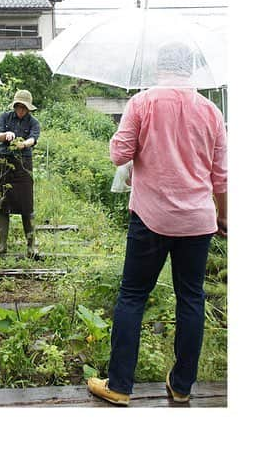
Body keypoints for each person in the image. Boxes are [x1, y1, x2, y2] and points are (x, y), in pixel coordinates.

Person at [88, 42, 228, 406]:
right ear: (191, 69)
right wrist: (224, 215)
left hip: (150, 218)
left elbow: (120, 154)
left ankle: (119, 386)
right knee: (191, 299)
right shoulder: (211, 111)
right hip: (198, 221)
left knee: (133, 296)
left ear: (157, 68)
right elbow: (221, 177)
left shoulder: (141, 103)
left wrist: (126, 133)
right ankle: (182, 386)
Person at [0, 89, 41, 257]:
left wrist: (24, 144)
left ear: (28, 109)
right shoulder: (4, 117)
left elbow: (33, 138)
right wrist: (6, 135)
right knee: (2, 203)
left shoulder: (33, 122)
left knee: (26, 205)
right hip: (4, 162)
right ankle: (2, 245)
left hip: (23, 164)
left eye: (24, 108)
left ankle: (31, 246)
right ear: (14, 106)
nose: (20, 110)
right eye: (18, 107)